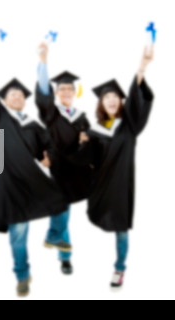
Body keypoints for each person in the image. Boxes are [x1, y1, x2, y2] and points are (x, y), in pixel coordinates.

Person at [0, 36, 68, 297]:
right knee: (18, 234)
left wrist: (48, 156)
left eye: (19, 94)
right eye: (11, 93)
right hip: (10, 181)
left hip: (33, 178)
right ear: (5, 98)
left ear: (24, 99)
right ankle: (23, 275)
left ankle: (55, 235)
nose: (15, 96)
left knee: (61, 199)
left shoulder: (34, 125)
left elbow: (49, 145)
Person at [75, 46, 154, 288]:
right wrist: (82, 144)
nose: (110, 99)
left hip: (120, 187)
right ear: (101, 103)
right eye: (106, 97)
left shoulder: (130, 126)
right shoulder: (94, 129)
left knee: (120, 227)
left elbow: (138, 101)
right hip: (100, 187)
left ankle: (119, 268)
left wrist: (142, 66)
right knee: (95, 219)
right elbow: (86, 160)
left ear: (121, 102)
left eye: (115, 97)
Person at [35, 42, 93, 275]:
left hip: (78, 170)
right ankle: (63, 252)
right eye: (63, 90)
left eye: (70, 90)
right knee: (62, 209)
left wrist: (85, 142)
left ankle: (56, 239)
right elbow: (43, 95)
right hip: (59, 169)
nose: (67, 93)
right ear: (58, 92)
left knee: (63, 210)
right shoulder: (52, 114)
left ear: (74, 92)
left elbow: (90, 147)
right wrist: (43, 61)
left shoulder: (82, 118)